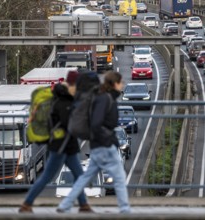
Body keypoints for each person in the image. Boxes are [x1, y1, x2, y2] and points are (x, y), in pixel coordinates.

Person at [57, 71, 131, 213]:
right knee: (120, 178)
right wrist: (110, 139)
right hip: (105, 145)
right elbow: (97, 123)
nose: (122, 85)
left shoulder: (104, 97)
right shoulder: (105, 98)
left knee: (85, 177)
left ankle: (65, 204)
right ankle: (125, 209)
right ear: (114, 84)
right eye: (120, 82)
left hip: (98, 145)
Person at [19, 71, 93, 213]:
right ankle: (27, 203)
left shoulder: (67, 99)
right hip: (60, 146)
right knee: (47, 177)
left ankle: (84, 205)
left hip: (68, 145)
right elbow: (68, 123)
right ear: (71, 85)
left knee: (79, 175)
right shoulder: (63, 101)